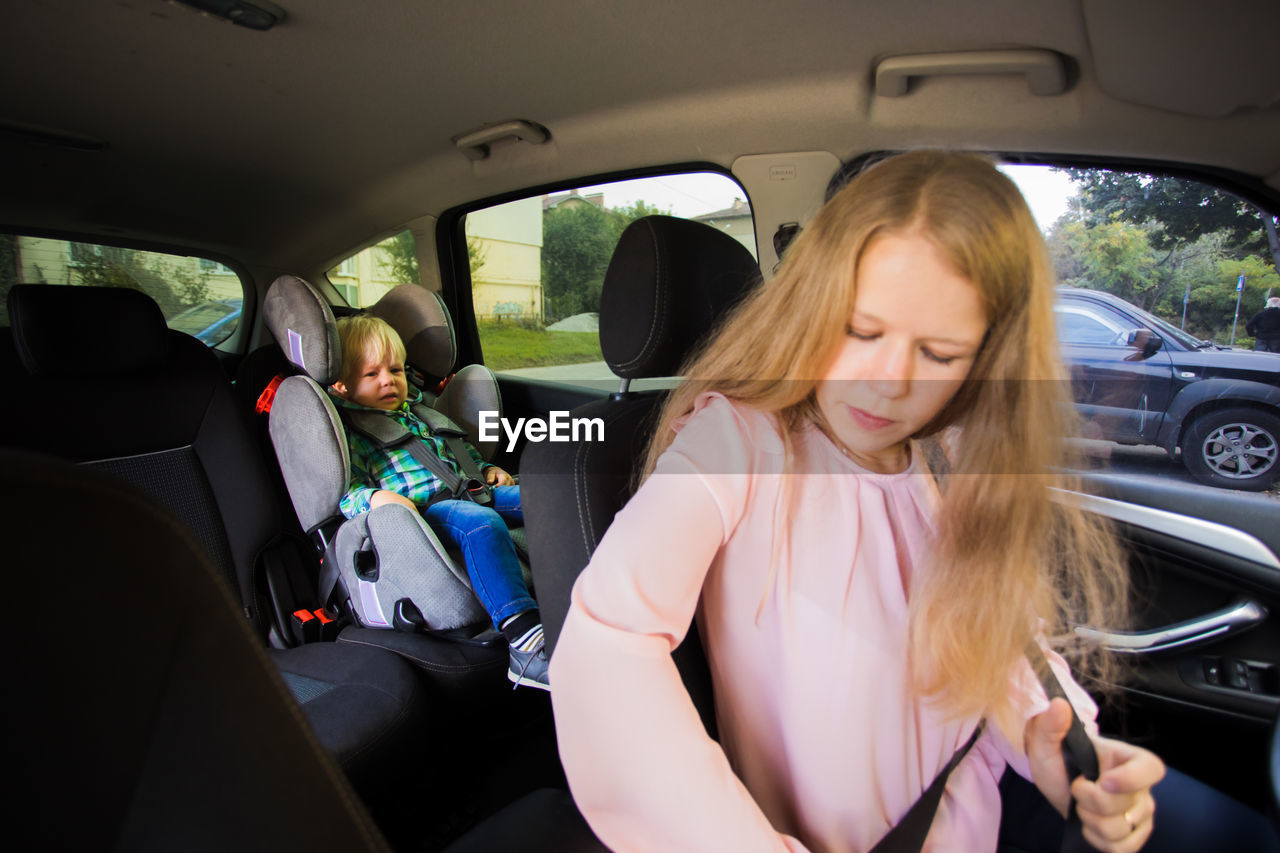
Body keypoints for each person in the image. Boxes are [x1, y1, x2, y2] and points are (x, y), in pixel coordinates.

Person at [549, 151, 1167, 851]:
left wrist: (1049, 738)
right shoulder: (742, 444)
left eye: (938, 353)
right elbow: (610, 641)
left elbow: (996, 633)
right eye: (861, 331)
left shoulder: (947, 455)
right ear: (812, 302)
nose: (888, 382)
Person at [331, 314, 548, 690]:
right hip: (429, 510)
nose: (388, 380)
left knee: (549, 496)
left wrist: (489, 469)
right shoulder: (354, 434)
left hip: (473, 487)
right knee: (482, 524)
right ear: (343, 386)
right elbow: (347, 496)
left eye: (395, 369)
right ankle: (524, 642)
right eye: (371, 375)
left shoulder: (420, 414)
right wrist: (377, 498)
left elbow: (459, 456)